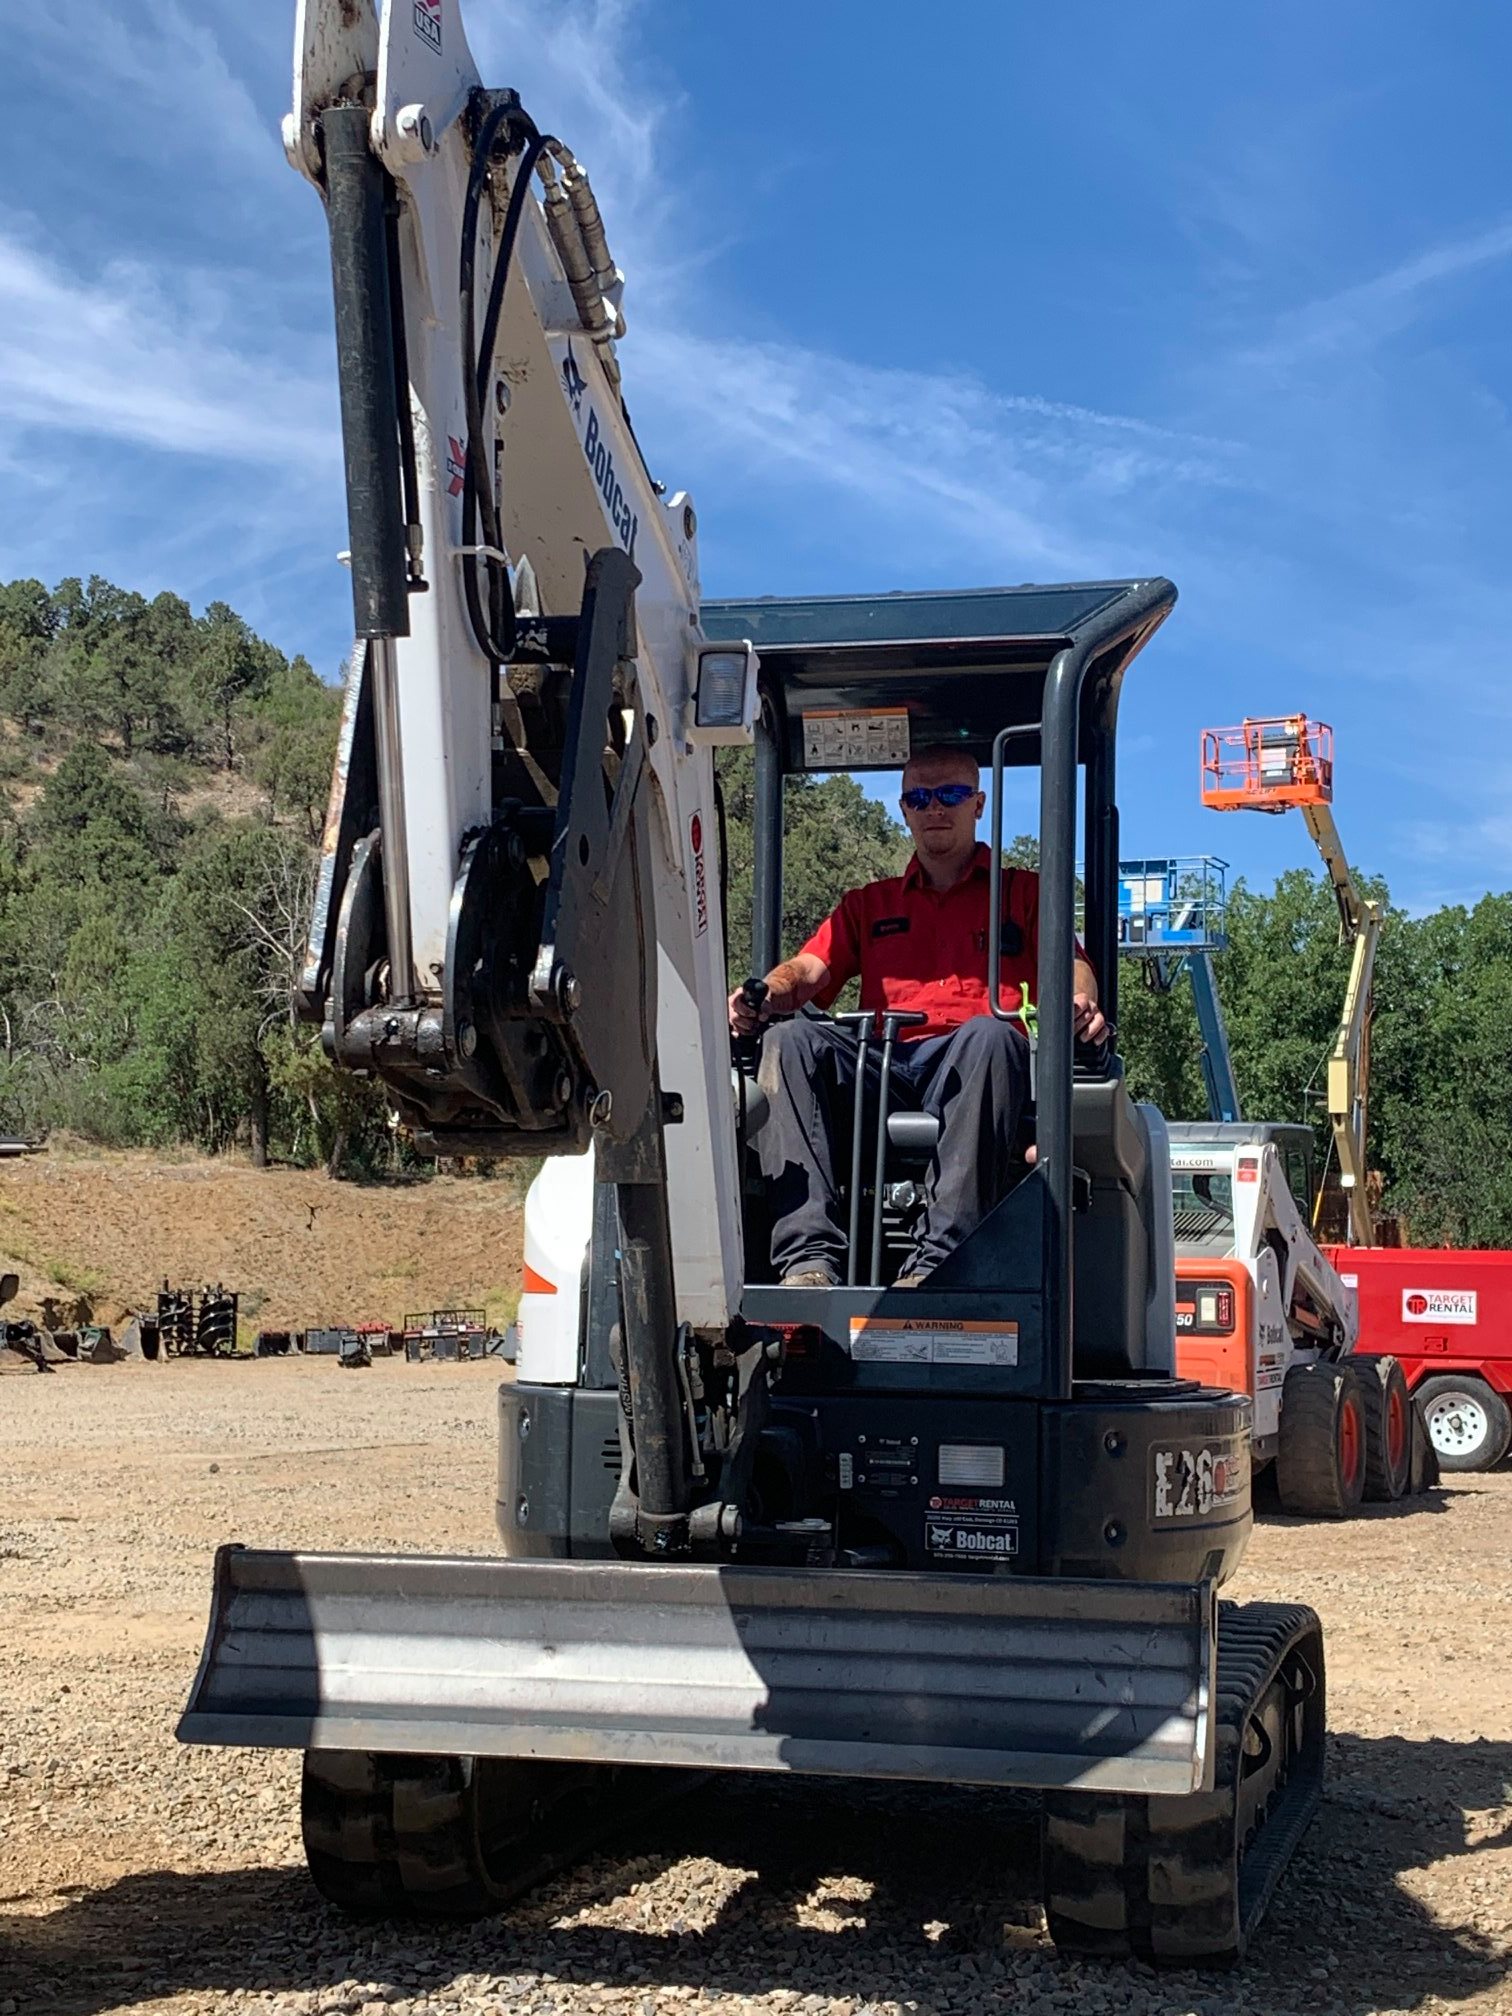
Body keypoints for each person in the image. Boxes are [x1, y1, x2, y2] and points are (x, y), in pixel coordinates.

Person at [728, 745, 1105, 1287]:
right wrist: (766, 992)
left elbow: (1073, 966)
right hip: (882, 1065)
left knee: (991, 1034)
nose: (935, 808)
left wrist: (1079, 1002)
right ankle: (808, 1261)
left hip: (973, 1068)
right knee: (788, 1041)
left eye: (950, 794)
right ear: (904, 809)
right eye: (920, 798)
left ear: (978, 804)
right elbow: (809, 970)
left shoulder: (1023, 894)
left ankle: (939, 1263)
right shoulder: (869, 905)